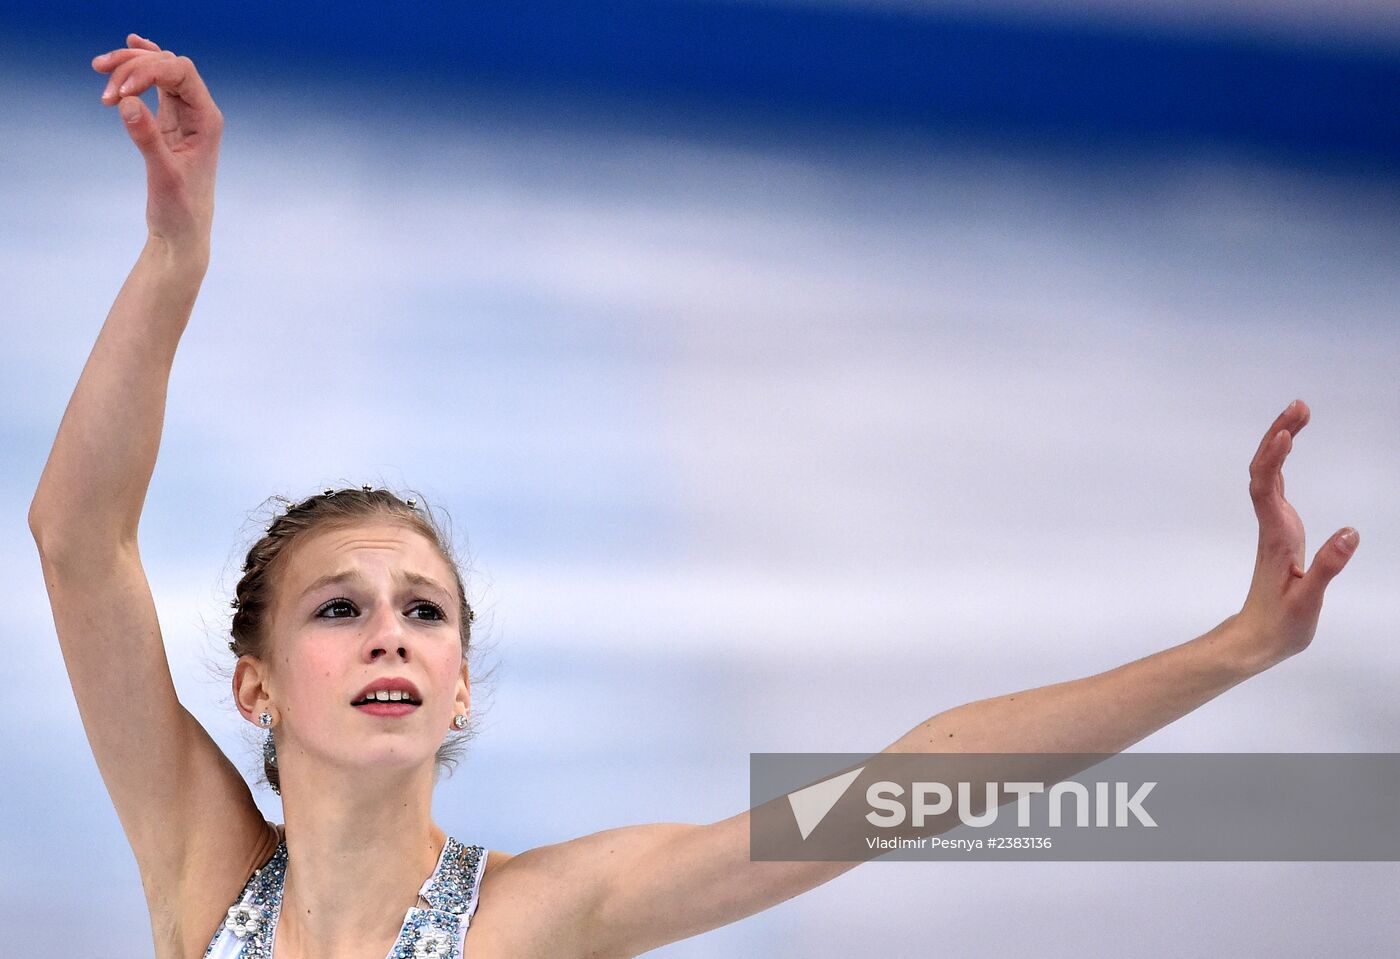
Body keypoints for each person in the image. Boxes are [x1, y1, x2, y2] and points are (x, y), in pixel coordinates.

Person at [27, 32, 1360, 959]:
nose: (391, 633)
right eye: (339, 609)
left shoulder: (548, 919)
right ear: (254, 686)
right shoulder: (203, 881)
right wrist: (175, 254)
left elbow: (897, 791)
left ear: (463, 685)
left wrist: (1237, 647)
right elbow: (77, 540)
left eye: (424, 613)